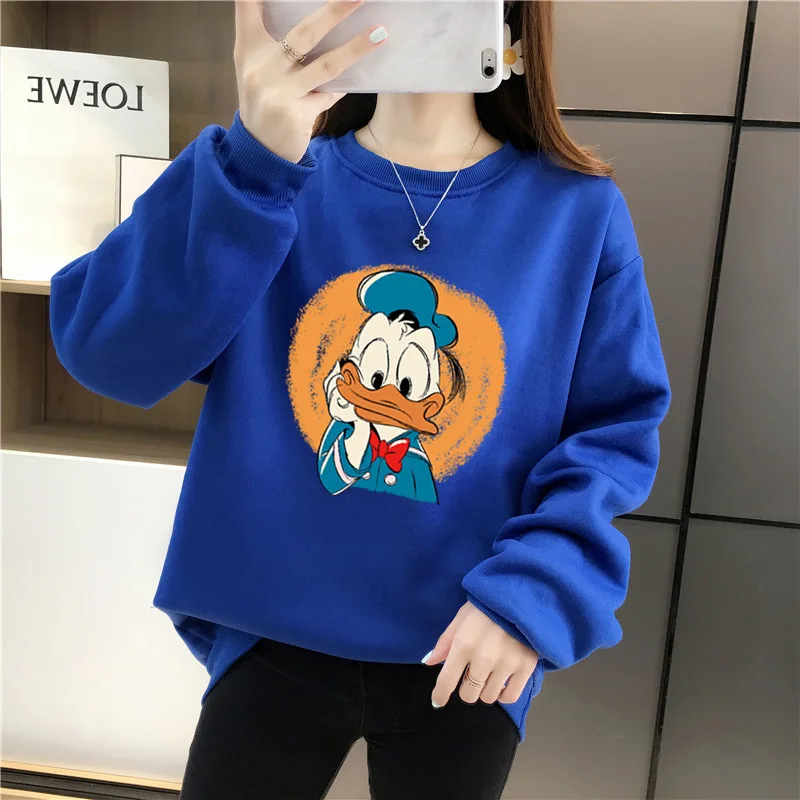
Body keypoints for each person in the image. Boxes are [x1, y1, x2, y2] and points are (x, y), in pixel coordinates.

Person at [49, 0, 671, 798]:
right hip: (270, 629)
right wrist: (252, 160)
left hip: (471, 643)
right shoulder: (270, 179)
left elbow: (614, 433)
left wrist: (533, 594)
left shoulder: (577, 213)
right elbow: (107, 353)